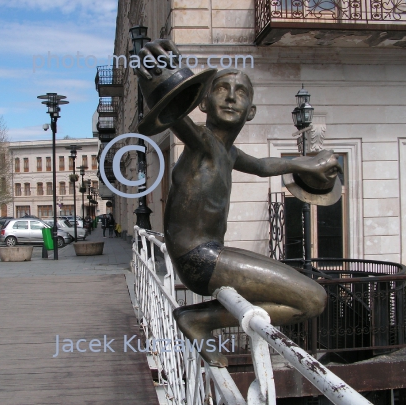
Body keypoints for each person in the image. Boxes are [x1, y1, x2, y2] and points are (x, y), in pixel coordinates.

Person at [136, 40, 342, 367]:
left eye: (241, 92)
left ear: (252, 111)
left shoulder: (227, 151)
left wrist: (306, 163)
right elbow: (172, 114)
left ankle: (199, 318)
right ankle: (201, 320)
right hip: (199, 258)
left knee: (310, 292)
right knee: (314, 299)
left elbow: (263, 166)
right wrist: (160, 84)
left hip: (210, 253)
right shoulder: (201, 141)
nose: (232, 97)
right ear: (203, 102)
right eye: (221, 89)